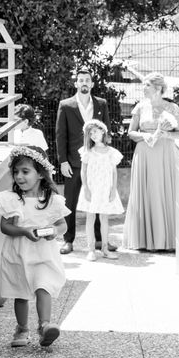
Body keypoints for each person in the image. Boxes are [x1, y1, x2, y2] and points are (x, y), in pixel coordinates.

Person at [0, 145, 70, 348]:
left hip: (43, 253)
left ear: (41, 174)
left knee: (43, 286)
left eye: (25, 172)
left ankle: (45, 326)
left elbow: (63, 225)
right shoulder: (12, 199)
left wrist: (53, 231)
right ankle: (22, 328)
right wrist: (24, 231)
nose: (19, 176)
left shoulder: (50, 200)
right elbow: (5, 226)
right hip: (18, 253)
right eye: (16, 172)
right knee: (21, 292)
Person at [55, 67, 117, 255]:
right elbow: (60, 135)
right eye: (80, 80)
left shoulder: (101, 104)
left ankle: (99, 240)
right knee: (70, 203)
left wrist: (107, 156)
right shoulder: (66, 105)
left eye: (87, 80)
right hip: (74, 162)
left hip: (97, 163)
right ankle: (68, 240)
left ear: (91, 83)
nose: (84, 83)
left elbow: (105, 132)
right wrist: (63, 161)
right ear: (76, 83)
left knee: (98, 200)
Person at [123, 72, 179, 252]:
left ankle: (166, 240)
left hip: (164, 153)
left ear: (158, 88)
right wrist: (146, 135)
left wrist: (164, 134)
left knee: (162, 192)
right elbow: (130, 133)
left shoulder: (172, 108)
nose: (143, 88)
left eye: (146, 85)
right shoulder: (140, 107)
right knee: (145, 192)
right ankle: (144, 240)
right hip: (143, 153)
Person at [77, 119, 124, 261]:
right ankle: (91, 249)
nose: (93, 135)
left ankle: (105, 248)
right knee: (90, 218)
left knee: (104, 218)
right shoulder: (87, 152)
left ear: (103, 131)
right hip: (91, 188)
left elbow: (114, 173)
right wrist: (85, 188)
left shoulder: (111, 152)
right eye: (90, 133)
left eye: (95, 132)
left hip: (105, 189)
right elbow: (83, 171)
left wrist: (113, 190)